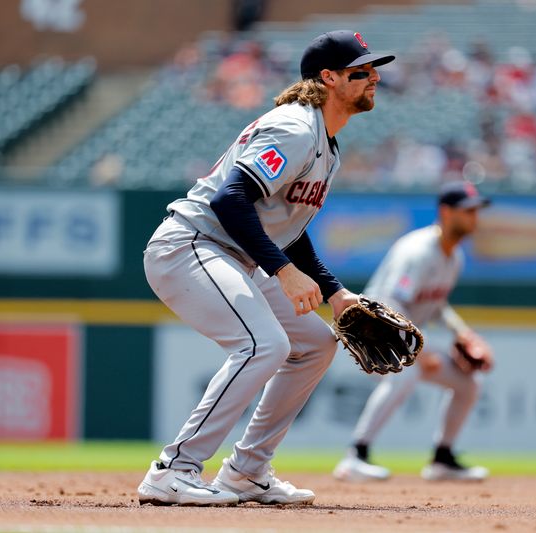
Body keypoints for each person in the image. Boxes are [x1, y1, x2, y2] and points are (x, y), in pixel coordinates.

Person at [137, 30, 395, 506]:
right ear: (329, 78)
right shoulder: (296, 128)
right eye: (361, 70)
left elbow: (289, 229)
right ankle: (174, 470)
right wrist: (282, 271)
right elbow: (230, 199)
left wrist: (334, 293)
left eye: (373, 69)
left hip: (230, 253)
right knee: (263, 343)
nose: (374, 76)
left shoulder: (326, 144)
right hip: (191, 244)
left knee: (316, 344)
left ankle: (246, 471)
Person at [333, 181, 494, 483]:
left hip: (404, 342)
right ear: (446, 213)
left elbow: (436, 303)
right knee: (407, 373)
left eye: (477, 210)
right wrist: (422, 352)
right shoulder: (417, 251)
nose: (475, 216)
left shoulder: (454, 257)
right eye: (468, 210)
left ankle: (442, 459)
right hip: (370, 336)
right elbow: (391, 302)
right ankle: (355, 456)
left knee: (469, 383)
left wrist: (462, 332)